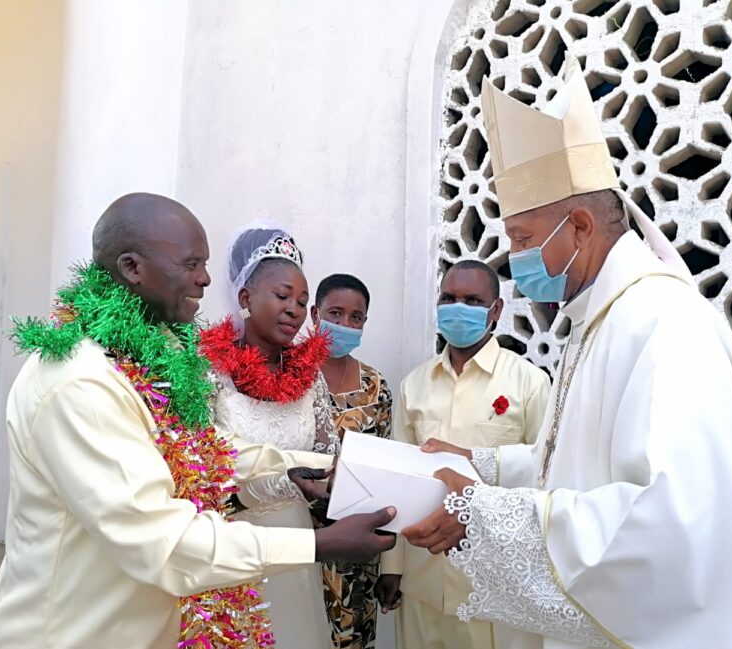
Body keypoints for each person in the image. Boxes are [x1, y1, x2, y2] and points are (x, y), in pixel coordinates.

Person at [403, 55, 732, 648]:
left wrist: (482, 515)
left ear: (579, 227)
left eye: (521, 239)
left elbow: (672, 525)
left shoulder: (663, 325)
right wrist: (477, 464)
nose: (514, 263)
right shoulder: (599, 318)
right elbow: (567, 461)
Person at [0, 194, 396, 649]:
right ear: (132, 267)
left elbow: (200, 450)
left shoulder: (151, 355)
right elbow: (165, 542)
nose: (206, 279)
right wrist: (321, 546)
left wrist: (294, 468)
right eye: (191, 263)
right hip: (77, 633)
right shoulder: (81, 383)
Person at [376, 259, 550, 649]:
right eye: (449, 298)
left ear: (496, 310)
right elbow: (398, 480)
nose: (459, 308)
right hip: (424, 578)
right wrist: (393, 567)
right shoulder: (414, 385)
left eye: (473, 300)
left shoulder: (530, 384)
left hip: (492, 587)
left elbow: (544, 477)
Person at [200, 226, 343, 649]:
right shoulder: (209, 373)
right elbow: (200, 467)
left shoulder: (310, 376)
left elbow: (327, 452)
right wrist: (283, 478)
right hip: (230, 541)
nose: (294, 311)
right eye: (282, 297)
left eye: (302, 301)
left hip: (297, 539)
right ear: (245, 298)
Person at [311, 273, 393, 649]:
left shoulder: (375, 385)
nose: (345, 324)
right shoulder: (289, 376)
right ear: (315, 313)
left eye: (356, 317)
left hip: (357, 546)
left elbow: (387, 466)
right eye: (336, 313)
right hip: (303, 538)